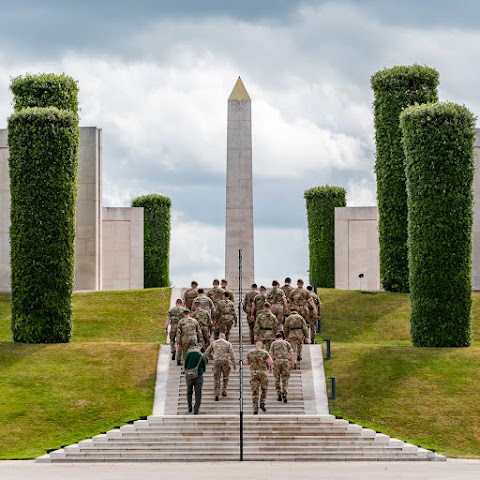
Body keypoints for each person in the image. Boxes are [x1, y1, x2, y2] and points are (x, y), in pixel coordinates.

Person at [204, 333, 236, 401]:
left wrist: (211, 357)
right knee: (225, 377)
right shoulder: (228, 343)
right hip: (225, 361)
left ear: (218, 337)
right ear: (224, 337)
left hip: (216, 361)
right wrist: (234, 364)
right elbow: (232, 354)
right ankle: (224, 390)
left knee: (216, 378)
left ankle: (216, 393)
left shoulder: (214, 343)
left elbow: (207, 353)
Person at [245, 341, 273, 414]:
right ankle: (262, 402)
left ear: (256, 345)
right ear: (262, 345)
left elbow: (246, 363)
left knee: (255, 391)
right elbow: (270, 362)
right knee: (264, 389)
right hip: (263, 373)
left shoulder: (250, 352)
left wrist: (252, 362)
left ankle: (255, 409)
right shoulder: (265, 352)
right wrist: (268, 366)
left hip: (254, 373)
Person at [269, 332, 294, 403]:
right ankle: (285, 393)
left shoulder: (273, 343)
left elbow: (270, 355)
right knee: (285, 378)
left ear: (275, 338)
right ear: (282, 337)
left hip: (277, 362)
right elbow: (292, 354)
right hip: (285, 362)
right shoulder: (286, 343)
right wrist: (292, 363)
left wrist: (270, 365)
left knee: (277, 378)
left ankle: (279, 394)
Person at [184, 343, 207, 414]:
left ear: (194, 347)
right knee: (198, 393)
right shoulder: (201, 355)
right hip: (198, 375)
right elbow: (204, 366)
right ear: (199, 347)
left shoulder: (188, 354)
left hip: (189, 376)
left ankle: (189, 406)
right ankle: (196, 409)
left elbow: (185, 364)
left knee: (189, 391)